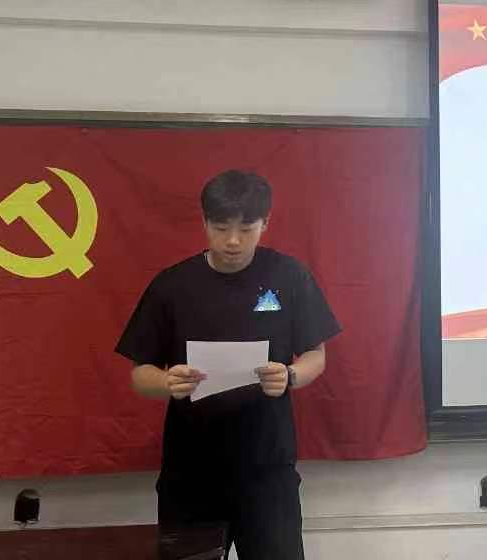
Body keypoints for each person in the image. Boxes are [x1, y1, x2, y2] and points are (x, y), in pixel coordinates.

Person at [116, 170, 341, 560]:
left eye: (246, 229)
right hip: (191, 471)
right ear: (204, 223)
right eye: (221, 228)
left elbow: (315, 355)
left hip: (267, 468)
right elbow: (140, 373)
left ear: (265, 223)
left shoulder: (289, 276)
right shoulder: (173, 285)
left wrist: (290, 375)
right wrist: (167, 382)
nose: (233, 241)